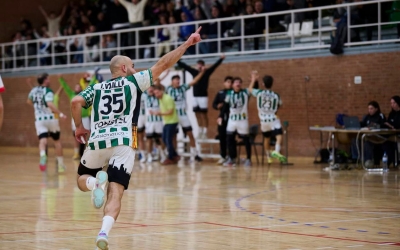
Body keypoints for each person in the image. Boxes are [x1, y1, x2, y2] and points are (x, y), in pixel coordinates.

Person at [70, 27, 203, 250]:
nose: (134, 68)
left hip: (97, 140)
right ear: (123, 68)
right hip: (123, 143)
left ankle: (94, 183)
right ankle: (103, 233)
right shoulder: (134, 82)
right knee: (117, 192)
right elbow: (163, 64)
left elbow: (75, 102)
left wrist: (79, 127)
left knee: (81, 179)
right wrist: (187, 44)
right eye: (131, 65)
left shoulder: (97, 87)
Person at [177, 54, 225, 139]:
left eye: (200, 65)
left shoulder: (206, 73)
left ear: (203, 66)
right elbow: (185, 67)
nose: (199, 66)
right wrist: (177, 60)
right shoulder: (194, 72)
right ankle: (200, 130)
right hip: (195, 96)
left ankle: (205, 132)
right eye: (198, 65)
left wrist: (220, 59)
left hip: (203, 96)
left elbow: (215, 66)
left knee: (203, 114)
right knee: (197, 114)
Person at [27, 73, 67, 172]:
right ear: (45, 80)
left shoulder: (33, 90)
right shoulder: (48, 91)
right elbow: (49, 104)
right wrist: (61, 114)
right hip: (51, 118)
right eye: (48, 79)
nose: (49, 81)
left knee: (42, 140)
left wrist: (38, 108)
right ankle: (61, 166)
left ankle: (42, 154)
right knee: (57, 142)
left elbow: (28, 101)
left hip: (39, 119)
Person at [165, 68, 205, 162]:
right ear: (172, 82)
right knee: (173, 136)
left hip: (183, 115)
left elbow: (194, 81)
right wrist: (167, 73)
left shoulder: (183, 87)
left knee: (190, 133)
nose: (178, 81)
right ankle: (174, 155)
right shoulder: (168, 89)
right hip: (173, 116)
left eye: (179, 80)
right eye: (176, 80)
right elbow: (159, 85)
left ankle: (195, 154)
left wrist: (202, 72)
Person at [248, 71, 287, 163]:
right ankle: (276, 151)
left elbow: (250, 89)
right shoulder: (276, 95)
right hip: (273, 118)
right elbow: (281, 104)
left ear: (263, 84)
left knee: (266, 138)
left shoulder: (259, 92)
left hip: (263, 120)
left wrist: (253, 80)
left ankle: (268, 157)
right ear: (272, 84)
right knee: (279, 135)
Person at [217, 77, 251, 167]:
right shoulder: (229, 93)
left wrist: (254, 80)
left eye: (239, 82)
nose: (238, 83)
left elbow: (253, 88)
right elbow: (225, 106)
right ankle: (232, 158)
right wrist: (220, 116)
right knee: (229, 139)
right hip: (232, 120)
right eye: (236, 82)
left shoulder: (245, 92)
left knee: (246, 140)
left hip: (242, 120)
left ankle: (248, 159)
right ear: (233, 85)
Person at [59, 76, 95, 159]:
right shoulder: (71, 94)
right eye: (76, 87)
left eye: (79, 87)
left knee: (85, 135)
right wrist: (61, 79)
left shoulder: (84, 95)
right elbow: (65, 87)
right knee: (75, 136)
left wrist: (94, 76)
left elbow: (91, 84)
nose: (77, 88)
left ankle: (84, 152)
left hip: (85, 118)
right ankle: (76, 153)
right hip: (75, 118)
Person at [151, 85, 180, 165]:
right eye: (155, 94)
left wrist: (160, 114)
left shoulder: (168, 98)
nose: (156, 95)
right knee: (164, 139)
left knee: (168, 140)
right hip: (167, 122)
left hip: (172, 122)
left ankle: (171, 157)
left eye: (157, 93)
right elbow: (163, 110)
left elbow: (170, 111)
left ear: (161, 91)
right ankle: (175, 155)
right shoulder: (160, 99)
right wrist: (155, 113)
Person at [355, 101, 386, 167]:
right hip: (368, 136)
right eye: (369, 109)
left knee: (367, 142)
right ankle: (359, 159)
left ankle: (368, 161)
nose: (370, 110)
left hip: (378, 136)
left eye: (371, 108)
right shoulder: (367, 116)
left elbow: (384, 125)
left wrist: (374, 126)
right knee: (355, 140)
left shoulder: (380, 115)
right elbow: (362, 124)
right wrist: (356, 124)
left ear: (376, 109)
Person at [142, 85, 166, 163]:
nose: (150, 89)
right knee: (149, 139)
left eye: (152, 88)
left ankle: (162, 155)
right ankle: (149, 155)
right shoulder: (145, 96)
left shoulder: (159, 96)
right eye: (149, 88)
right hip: (149, 122)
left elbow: (162, 88)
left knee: (160, 139)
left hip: (159, 121)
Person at [212, 76, 233, 164]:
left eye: (231, 82)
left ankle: (231, 156)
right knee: (222, 136)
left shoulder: (233, 92)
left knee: (230, 137)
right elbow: (214, 104)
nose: (229, 84)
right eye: (227, 82)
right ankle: (223, 155)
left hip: (231, 117)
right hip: (222, 117)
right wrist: (217, 106)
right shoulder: (220, 93)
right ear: (224, 83)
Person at [382, 96, 400, 168]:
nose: (392, 105)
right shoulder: (391, 114)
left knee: (392, 143)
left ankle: (396, 162)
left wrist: (394, 127)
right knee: (385, 143)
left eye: (394, 103)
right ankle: (390, 161)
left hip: (398, 134)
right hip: (391, 134)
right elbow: (389, 122)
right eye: (391, 103)